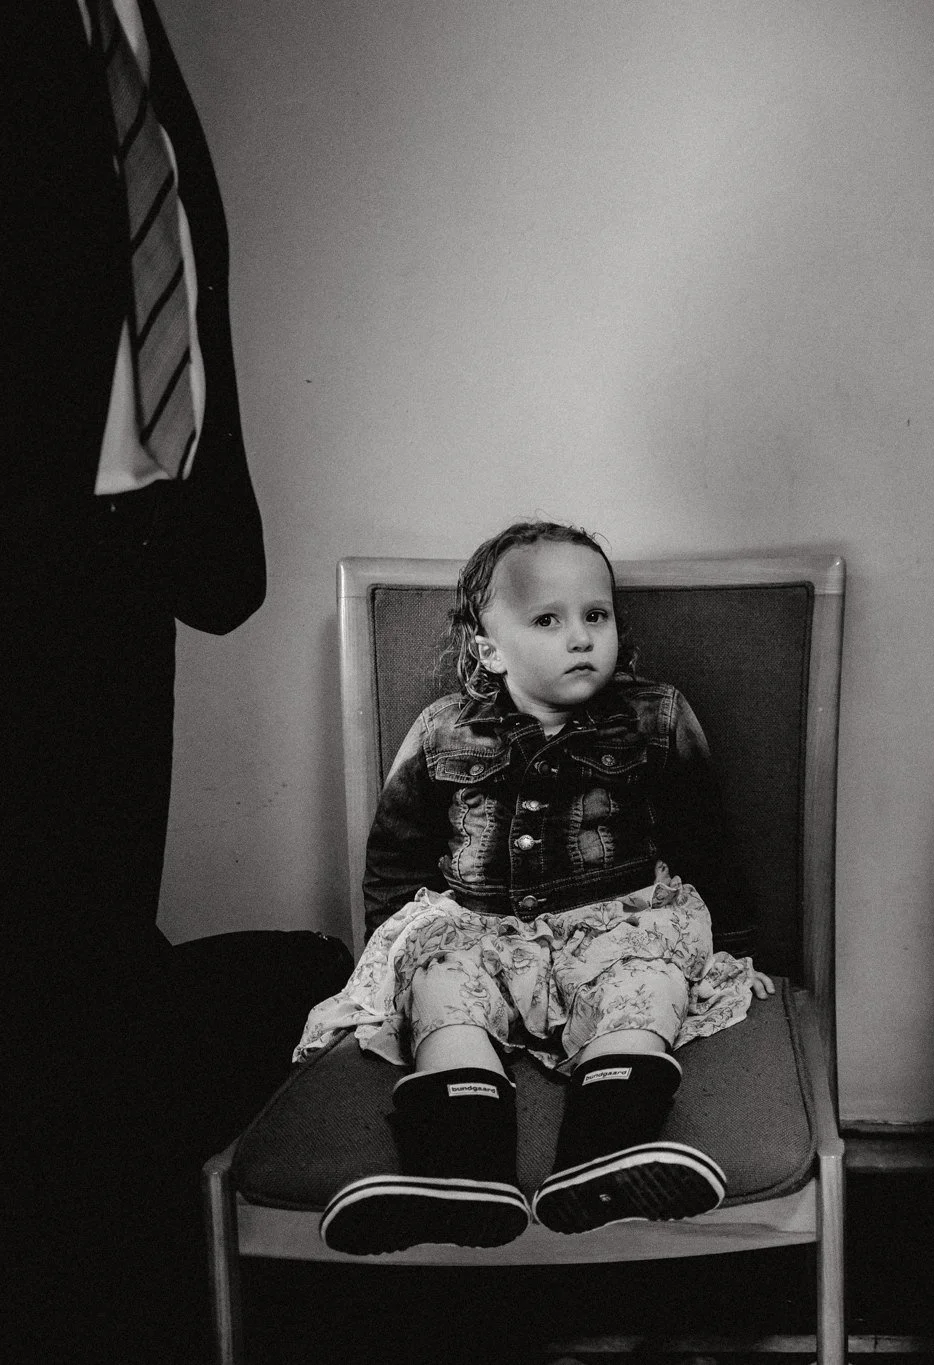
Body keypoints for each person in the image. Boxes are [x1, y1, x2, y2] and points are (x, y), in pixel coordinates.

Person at [2, 5, 347, 1360]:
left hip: (122, 557)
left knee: (84, 962)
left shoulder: (122, 19)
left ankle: (101, 1303)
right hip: (32, 554)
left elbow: (170, 257)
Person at [298, 521, 772, 1255]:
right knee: (441, 980)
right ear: (489, 649)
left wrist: (734, 952)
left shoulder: (657, 716)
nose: (581, 637)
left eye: (596, 615)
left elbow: (710, 840)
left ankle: (605, 1155)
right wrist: (394, 955)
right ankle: (459, 1170)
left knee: (645, 984)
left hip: (616, 928)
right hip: (480, 932)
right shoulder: (441, 731)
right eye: (547, 620)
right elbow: (396, 853)